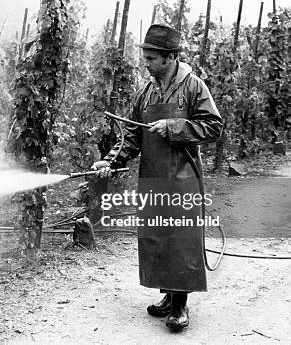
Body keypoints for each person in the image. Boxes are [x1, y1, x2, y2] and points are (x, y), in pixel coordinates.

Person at [91, 24, 223, 331]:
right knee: (157, 238)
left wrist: (176, 128)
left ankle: (180, 305)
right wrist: (110, 162)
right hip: (152, 176)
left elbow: (213, 127)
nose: (146, 64)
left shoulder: (193, 87)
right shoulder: (146, 93)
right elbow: (132, 138)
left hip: (182, 177)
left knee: (179, 239)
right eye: (146, 58)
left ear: (169, 57)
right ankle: (167, 296)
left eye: (151, 59)